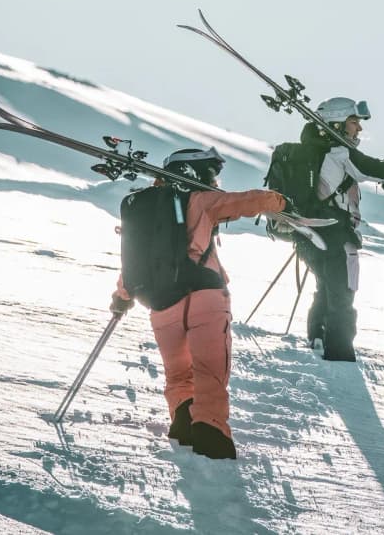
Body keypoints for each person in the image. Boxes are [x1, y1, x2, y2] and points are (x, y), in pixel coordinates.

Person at [110, 146, 286, 460]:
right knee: (210, 371)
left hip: (162, 306)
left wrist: (121, 299)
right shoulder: (200, 200)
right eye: (211, 174)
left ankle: (183, 424)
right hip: (205, 298)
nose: (214, 182)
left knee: (179, 375)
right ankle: (211, 435)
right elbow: (244, 201)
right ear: (195, 172)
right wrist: (279, 201)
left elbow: (136, 261)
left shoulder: (145, 210)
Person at [290, 97, 384, 362]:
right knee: (342, 296)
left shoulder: (314, 151)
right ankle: (340, 355)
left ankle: (316, 340)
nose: (359, 129)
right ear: (337, 124)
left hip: (309, 234)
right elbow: (371, 168)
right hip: (335, 233)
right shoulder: (338, 151)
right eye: (354, 122)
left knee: (326, 288)